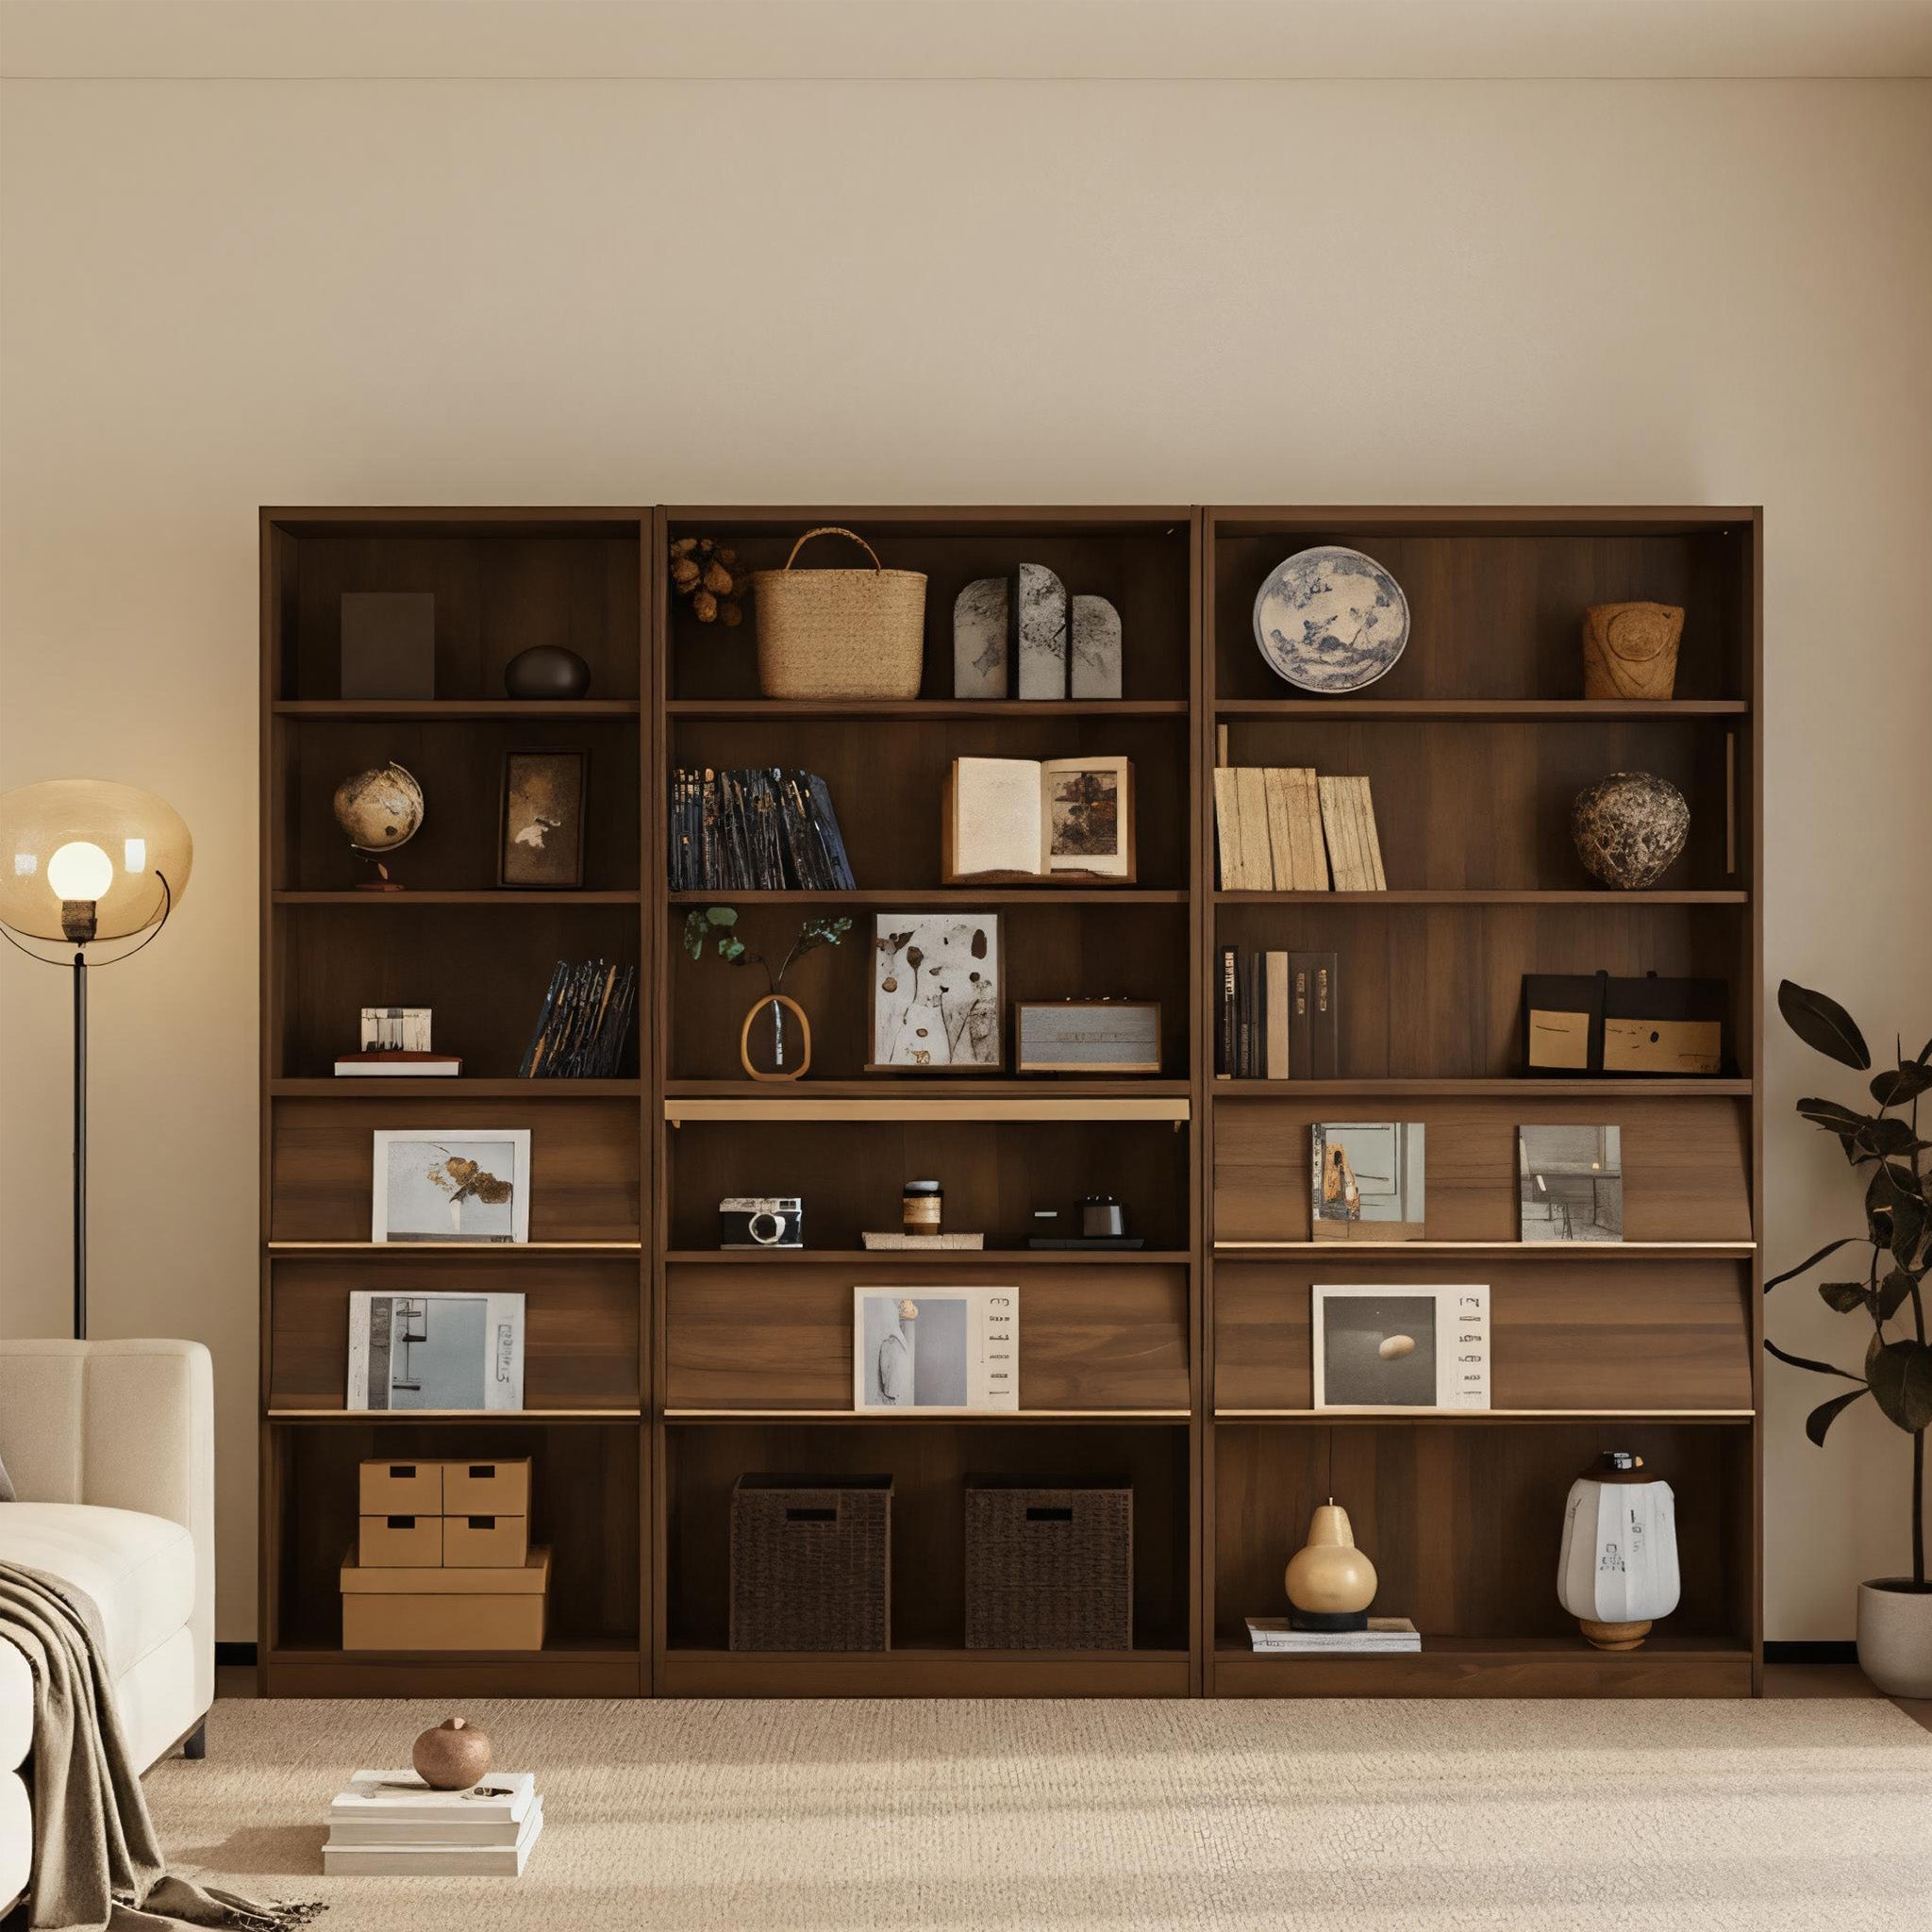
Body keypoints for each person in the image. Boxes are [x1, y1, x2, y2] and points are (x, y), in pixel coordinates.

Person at [876, 1297, 918, 1404]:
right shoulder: (890, 1343)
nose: (906, 1325)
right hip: (890, 1393)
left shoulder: (900, 1343)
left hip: (896, 1392)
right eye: (904, 1321)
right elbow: (885, 1369)